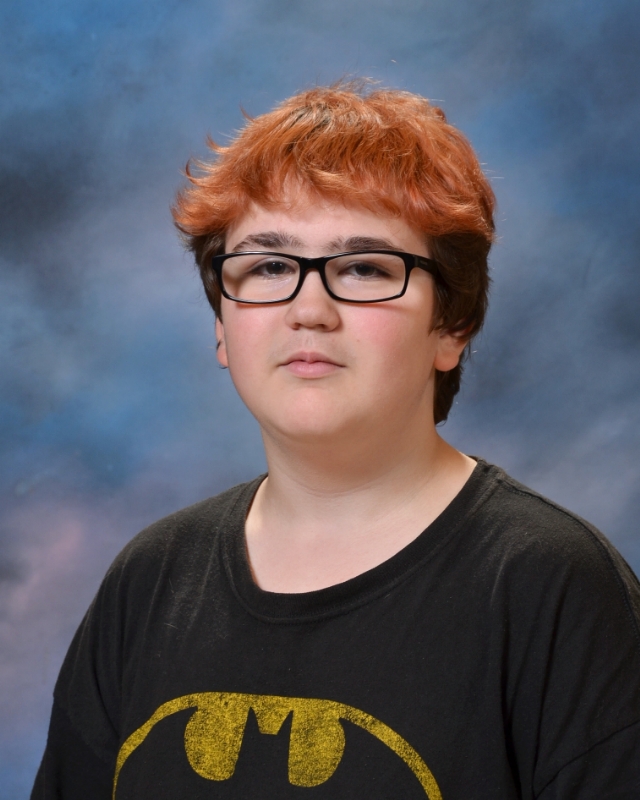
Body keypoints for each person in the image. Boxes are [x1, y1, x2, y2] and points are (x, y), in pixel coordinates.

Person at [32, 82, 640, 800]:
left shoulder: (552, 588)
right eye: (269, 266)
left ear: (451, 327)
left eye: (364, 268)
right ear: (223, 326)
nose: (309, 310)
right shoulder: (150, 581)